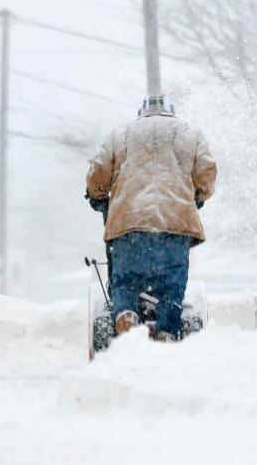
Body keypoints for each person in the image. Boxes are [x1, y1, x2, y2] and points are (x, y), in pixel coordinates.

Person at [86, 95, 217, 341]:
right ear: (171, 112)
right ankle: (167, 330)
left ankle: (125, 313)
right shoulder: (191, 134)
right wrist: (197, 197)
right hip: (175, 224)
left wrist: (97, 195)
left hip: (129, 224)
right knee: (172, 285)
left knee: (125, 280)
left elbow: (98, 173)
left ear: (141, 113)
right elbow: (206, 173)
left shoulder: (120, 134)